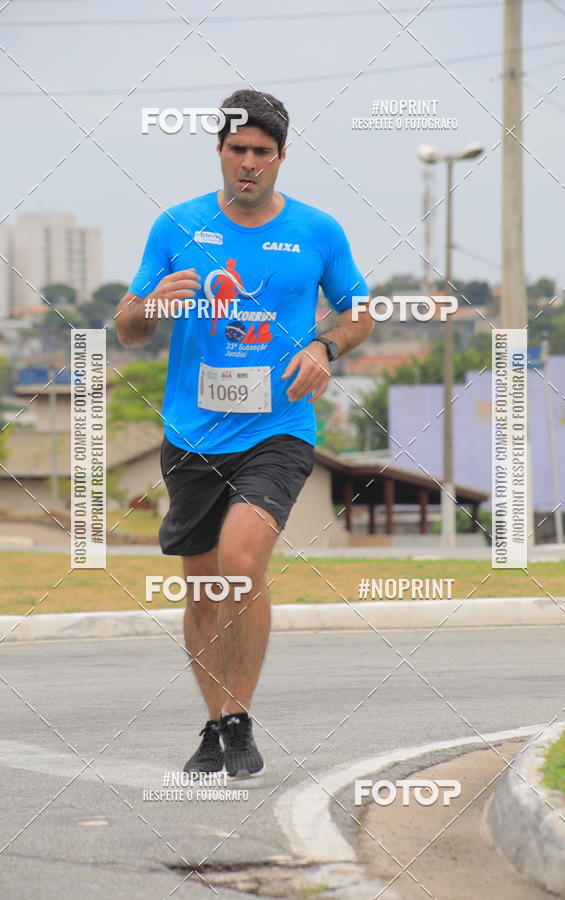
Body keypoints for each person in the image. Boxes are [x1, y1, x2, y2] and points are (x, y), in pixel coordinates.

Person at [115, 89, 373, 778]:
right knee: (202, 587)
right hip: (192, 434)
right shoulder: (177, 225)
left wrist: (324, 347)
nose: (249, 164)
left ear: (282, 157)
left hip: (278, 429)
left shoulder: (318, 232)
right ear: (220, 153)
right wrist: (147, 306)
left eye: (263, 152)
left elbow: (360, 313)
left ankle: (242, 717)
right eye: (238, 150)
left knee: (240, 562)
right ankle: (218, 722)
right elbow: (129, 326)